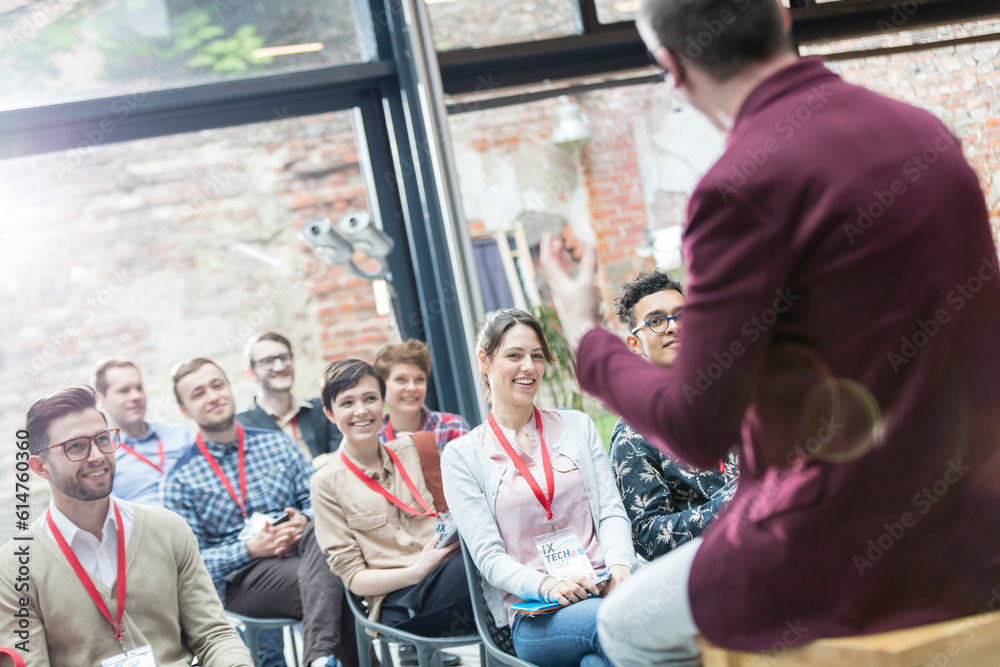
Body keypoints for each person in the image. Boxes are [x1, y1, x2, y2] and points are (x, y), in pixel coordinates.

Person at [540, 0, 1000, 664]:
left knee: (624, 625)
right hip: (975, 527)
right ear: (783, 17)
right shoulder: (925, 133)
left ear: (673, 68)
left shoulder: (739, 187)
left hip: (832, 547)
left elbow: (697, 427)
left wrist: (586, 333)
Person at [0, 386, 252, 667]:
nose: (96, 455)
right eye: (76, 446)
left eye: (103, 439)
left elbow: (213, 635)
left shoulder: (168, 529)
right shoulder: (13, 567)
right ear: (40, 467)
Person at [441, 308, 636, 667]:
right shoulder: (462, 456)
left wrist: (622, 568)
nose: (528, 367)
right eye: (514, 355)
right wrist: (548, 586)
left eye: (536, 356)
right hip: (539, 612)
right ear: (484, 361)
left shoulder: (578, 426)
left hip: (607, 583)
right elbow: (489, 559)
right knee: (613, 623)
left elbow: (610, 511)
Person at [162, 358, 357, 667]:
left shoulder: (276, 444)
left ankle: (320, 659)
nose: (213, 396)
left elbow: (320, 502)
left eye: (217, 385)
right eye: (198, 393)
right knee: (336, 577)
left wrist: (302, 520)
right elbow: (190, 564)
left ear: (229, 388)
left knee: (320, 538)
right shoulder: (179, 477)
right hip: (242, 580)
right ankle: (320, 656)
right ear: (185, 410)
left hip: (304, 551)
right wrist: (249, 549)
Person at [312, 360, 473, 667]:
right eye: (347, 403)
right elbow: (354, 578)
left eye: (369, 399)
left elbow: (450, 513)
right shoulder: (325, 483)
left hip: (447, 578)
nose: (361, 411)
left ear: (382, 403)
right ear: (330, 414)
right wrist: (417, 571)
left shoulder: (414, 448)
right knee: (480, 564)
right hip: (399, 603)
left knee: (491, 549)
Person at [609, 269, 738, 560]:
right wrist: (732, 504)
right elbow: (647, 536)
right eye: (655, 321)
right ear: (634, 345)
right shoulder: (633, 435)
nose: (673, 327)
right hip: (710, 569)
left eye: (682, 315)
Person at [93, 358, 194, 505]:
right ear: (102, 399)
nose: (135, 396)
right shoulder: (101, 457)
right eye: (124, 391)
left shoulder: (180, 435)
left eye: (139, 388)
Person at [237, 332, 343, 468]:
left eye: (284, 358)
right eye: (268, 361)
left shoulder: (321, 409)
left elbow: (343, 459)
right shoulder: (243, 427)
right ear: (251, 374)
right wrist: (318, 464)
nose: (280, 367)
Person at [373, 340, 471, 451]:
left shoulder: (452, 428)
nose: (412, 387)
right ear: (381, 385)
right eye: (401, 379)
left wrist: (422, 453)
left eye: (419, 379)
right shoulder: (373, 437)